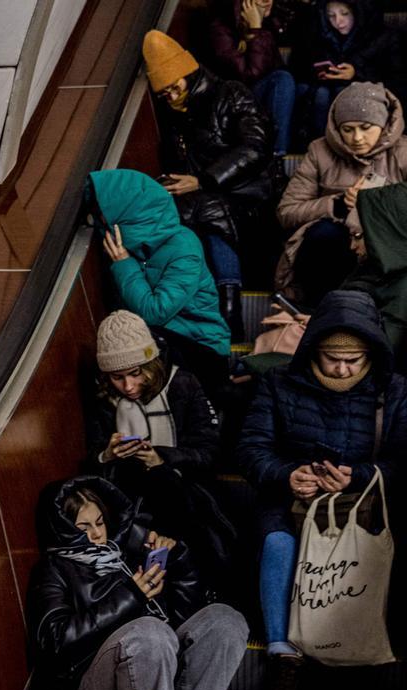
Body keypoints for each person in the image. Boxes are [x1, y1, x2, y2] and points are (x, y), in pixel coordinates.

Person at [235, 290, 407, 690]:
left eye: (353, 360)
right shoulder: (279, 383)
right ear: (314, 349)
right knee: (277, 543)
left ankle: (349, 675)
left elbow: (404, 464)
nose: (343, 368)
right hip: (291, 500)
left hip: (358, 505)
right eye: (333, 358)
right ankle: (283, 661)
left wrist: (357, 476)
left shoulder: (393, 391)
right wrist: (287, 474)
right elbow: (251, 449)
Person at [27, 476, 248, 690]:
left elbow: (187, 620)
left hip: (159, 672)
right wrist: (130, 595)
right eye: (83, 526)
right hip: (98, 687)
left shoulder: (126, 554)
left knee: (225, 621)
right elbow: (55, 639)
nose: (97, 533)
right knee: (149, 632)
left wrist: (179, 560)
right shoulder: (54, 568)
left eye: (100, 522)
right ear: (64, 529)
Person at [142, 30, 275, 340]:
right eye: (164, 94)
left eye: (175, 88)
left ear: (190, 73)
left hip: (247, 194)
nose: (172, 97)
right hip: (204, 200)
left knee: (208, 211)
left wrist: (203, 179)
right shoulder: (176, 119)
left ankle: (230, 308)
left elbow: (256, 147)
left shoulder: (230, 94)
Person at [85, 310, 235, 585]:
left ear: (151, 364)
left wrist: (161, 457)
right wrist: (107, 454)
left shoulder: (183, 383)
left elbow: (210, 451)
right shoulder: (103, 396)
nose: (128, 386)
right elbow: (92, 454)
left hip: (184, 491)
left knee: (165, 484)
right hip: (127, 493)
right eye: (117, 377)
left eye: (135, 373)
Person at [274, 81, 407, 304]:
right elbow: (287, 211)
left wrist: (376, 203)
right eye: (347, 130)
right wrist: (338, 204)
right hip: (334, 247)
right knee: (324, 236)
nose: (357, 138)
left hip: (388, 244)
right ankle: (322, 312)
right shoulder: (320, 150)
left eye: (366, 127)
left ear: (383, 124)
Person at [88, 168, 232, 402]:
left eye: (106, 218)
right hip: (160, 340)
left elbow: (156, 312)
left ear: (128, 219)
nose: (102, 223)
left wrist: (124, 264)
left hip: (200, 345)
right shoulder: (132, 243)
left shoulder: (184, 250)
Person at [342, 181, 407, 370]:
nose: (352, 246)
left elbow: (377, 358)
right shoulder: (386, 268)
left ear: (384, 233)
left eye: (358, 235)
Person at [288, 0, 407, 141]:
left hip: (371, 101)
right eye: (331, 16)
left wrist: (356, 73)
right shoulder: (319, 35)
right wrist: (323, 74)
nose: (338, 22)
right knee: (320, 94)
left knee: (340, 93)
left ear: (359, 12)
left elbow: (401, 82)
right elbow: (297, 68)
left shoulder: (388, 38)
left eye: (345, 14)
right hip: (325, 97)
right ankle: (322, 147)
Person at [208, 0, 300, 155]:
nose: (268, 1)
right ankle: (276, 156)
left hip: (261, 97)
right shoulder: (221, 30)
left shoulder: (269, 23)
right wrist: (256, 29)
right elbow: (249, 76)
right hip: (236, 102)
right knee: (283, 80)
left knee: (306, 89)